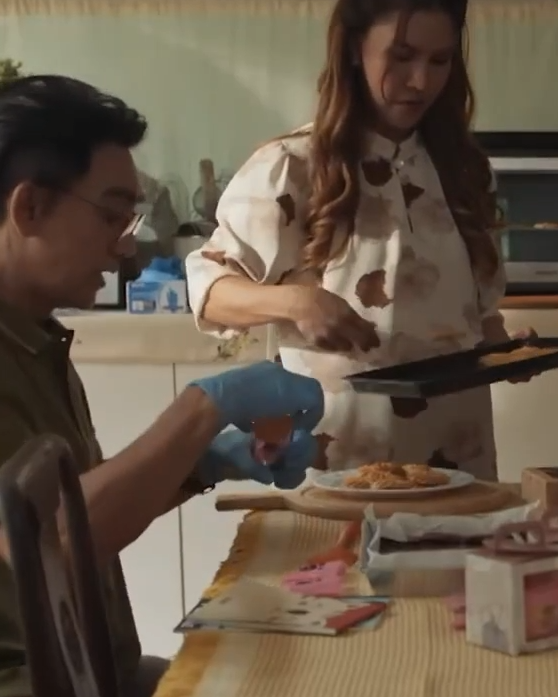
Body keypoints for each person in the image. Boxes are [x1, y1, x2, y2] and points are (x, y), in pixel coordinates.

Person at [0, 75, 325, 697]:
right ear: (30, 207)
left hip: (104, 672)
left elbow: (88, 515)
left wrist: (201, 465)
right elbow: (53, 541)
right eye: (111, 215)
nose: (126, 246)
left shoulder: (36, 338)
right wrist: (205, 408)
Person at [186, 0, 530, 479]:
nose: (420, 81)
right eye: (402, 56)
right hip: (338, 463)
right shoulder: (293, 166)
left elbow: (481, 317)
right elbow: (208, 291)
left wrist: (507, 351)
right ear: (353, 48)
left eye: (439, 61)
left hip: (459, 464)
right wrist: (297, 303)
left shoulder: (464, 172)